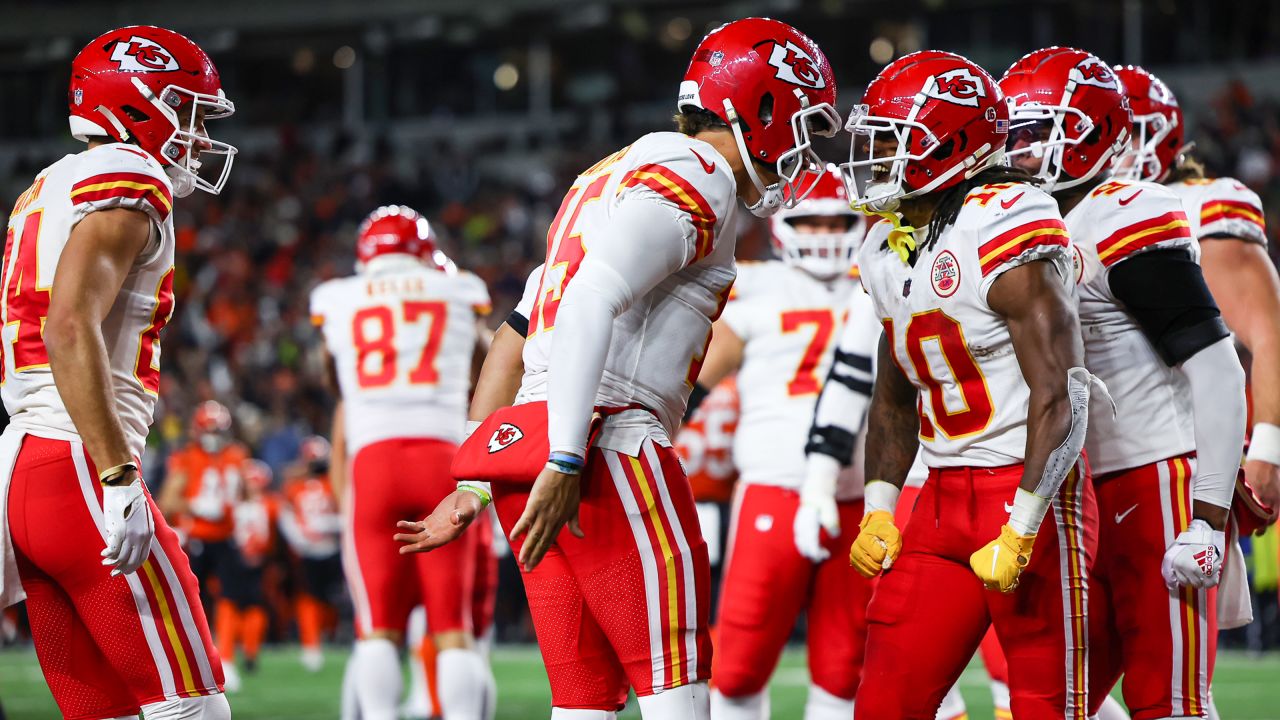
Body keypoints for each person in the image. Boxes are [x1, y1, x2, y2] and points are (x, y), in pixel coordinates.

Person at [395, 17, 840, 720]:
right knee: (676, 687)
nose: (802, 146)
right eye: (800, 122)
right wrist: (568, 459)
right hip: (605, 444)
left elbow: (517, 331)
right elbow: (588, 302)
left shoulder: (608, 175)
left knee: (583, 702)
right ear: (760, 107)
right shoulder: (702, 172)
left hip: (531, 448)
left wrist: (480, 481)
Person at [841, 50, 1097, 719]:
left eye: (892, 140)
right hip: (941, 500)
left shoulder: (1003, 219)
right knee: (885, 702)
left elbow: (1062, 391)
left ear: (950, 143)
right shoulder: (885, 247)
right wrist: (879, 503)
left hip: (1033, 489)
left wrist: (1022, 526)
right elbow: (894, 391)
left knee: (1046, 706)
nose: (873, 157)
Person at [1001, 48, 1248, 720]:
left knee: (1166, 699)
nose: (1019, 152)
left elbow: (1215, 363)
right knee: (1059, 698)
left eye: (1035, 133)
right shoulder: (1023, 224)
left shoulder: (1120, 211)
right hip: (1076, 490)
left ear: (1090, 132)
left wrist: (1209, 512)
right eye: (1012, 136)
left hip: (1153, 475)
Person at [0, 25, 234, 719]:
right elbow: (68, 324)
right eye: (185, 109)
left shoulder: (47, 186)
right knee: (194, 706)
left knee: (102, 713)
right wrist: (117, 475)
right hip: (78, 466)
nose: (194, 132)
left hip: (27, 470)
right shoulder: (129, 174)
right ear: (137, 104)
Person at [688, 169, 870, 720]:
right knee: (739, 668)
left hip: (863, 496)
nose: (822, 230)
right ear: (783, 225)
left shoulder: (879, 278)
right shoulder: (755, 287)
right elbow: (692, 382)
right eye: (810, 217)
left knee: (846, 671)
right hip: (773, 490)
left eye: (835, 219)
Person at [310, 205, 492, 720]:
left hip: (374, 462)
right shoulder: (461, 289)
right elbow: (484, 369)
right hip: (443, 457)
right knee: (453, 627)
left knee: (378, 627)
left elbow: (335, 374)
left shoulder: (336, 298)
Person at [1113, 64, 1280, 517]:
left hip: (1183, 457)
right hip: (1106, 458)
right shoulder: (1072, 213)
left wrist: (1268, 447)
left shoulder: (1197, 206)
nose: (1107, 151)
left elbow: (1269, 334)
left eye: (1122, 136)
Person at [159, 400, 252, 686]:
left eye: (217, 429)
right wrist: (195, 505)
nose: (213, 435)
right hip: (196, 539)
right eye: (208, 429)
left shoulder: (237, 455)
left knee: (229, 599)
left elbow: (247, 496)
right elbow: (166, 501)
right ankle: (188, 658)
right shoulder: (187, 457)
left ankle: (226, 658)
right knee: (190, 600)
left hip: (226, 537)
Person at [280, 436, 343, 673]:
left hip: (331, 547)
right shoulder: (294, 486)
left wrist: (331, 524)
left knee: (332, 599)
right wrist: (298, 538)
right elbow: (286, 516)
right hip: (308, 550)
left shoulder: (335, 483)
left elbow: (348, 510)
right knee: (307, 598)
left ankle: (327, 636)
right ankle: (311, 644)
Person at [220, 459, 278, 684]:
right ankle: (230, 655)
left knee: (253, 607)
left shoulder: (268, 506)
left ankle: (249, 651)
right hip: (237, 560)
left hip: (255, 561)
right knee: (231, 604)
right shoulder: (236, 504)